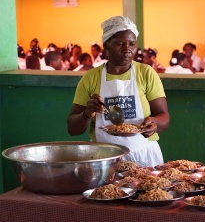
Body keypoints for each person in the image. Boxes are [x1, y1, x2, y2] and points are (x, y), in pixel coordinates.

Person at [67, 16, 170, 167]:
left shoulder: (146, 73)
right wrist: (87, 113)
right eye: (120, 44)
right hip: (104, 158)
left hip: (144, 154)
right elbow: (72, 128)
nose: (127, 49)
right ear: (106, 46)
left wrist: (155, 123)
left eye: (132, 44)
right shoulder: (91, 78)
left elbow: (164, 117)